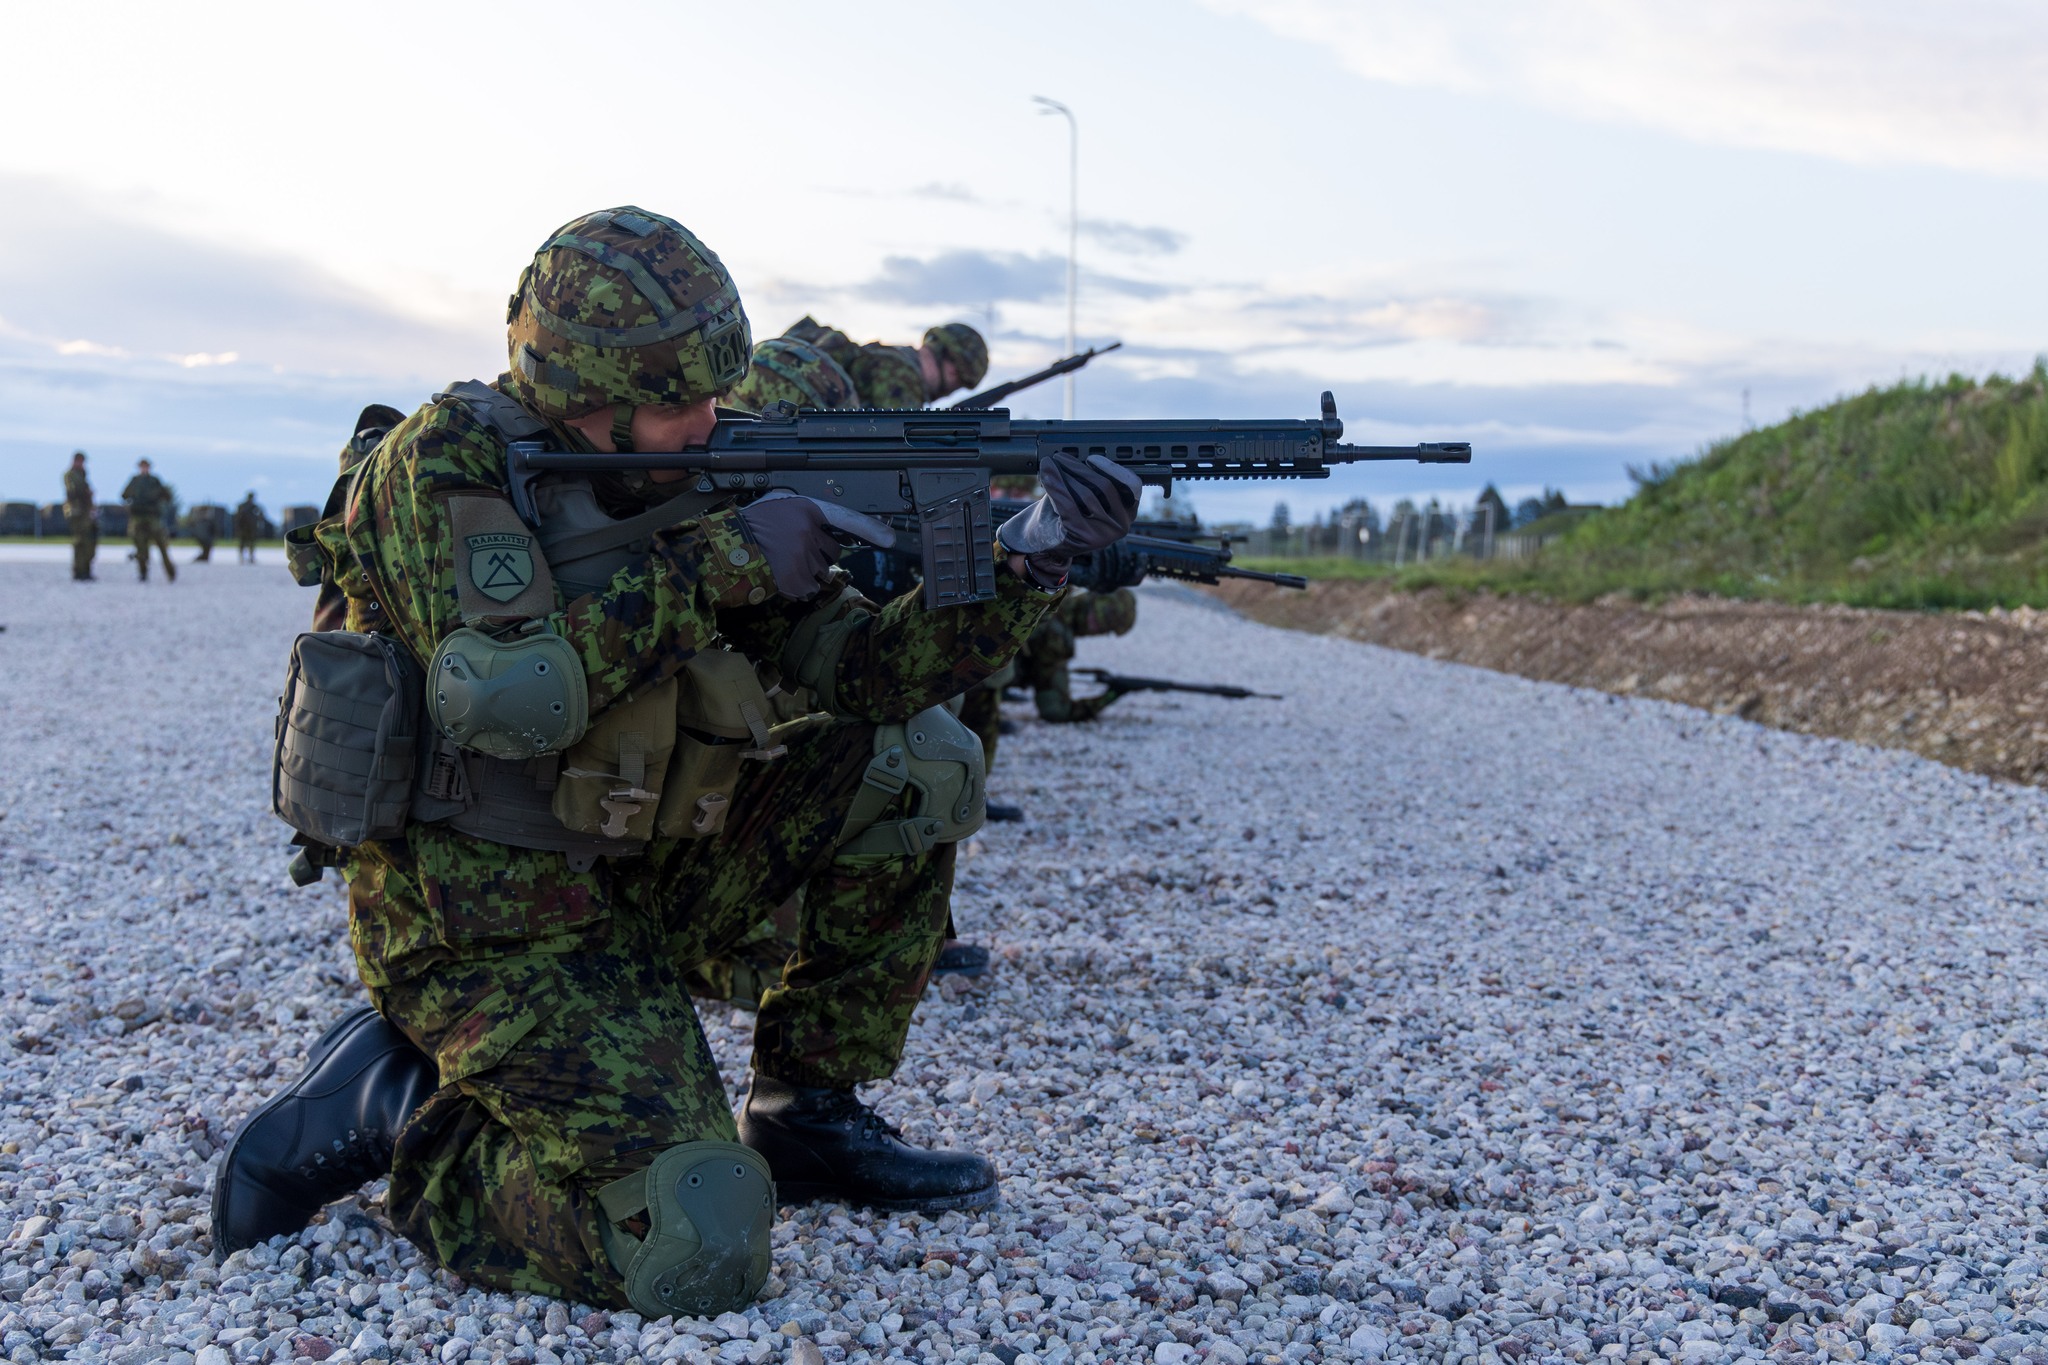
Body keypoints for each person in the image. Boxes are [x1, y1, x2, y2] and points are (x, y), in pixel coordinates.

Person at [212, 206, 1137, 1320]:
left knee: (918, 761)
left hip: (645, 864)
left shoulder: (695, 466)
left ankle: (805, 1112)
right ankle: (404, 1110)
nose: (709, 424)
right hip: (483, 925)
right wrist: (723, 564)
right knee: (695, 1245)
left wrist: (1029, 559)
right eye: (675, 405)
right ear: (583, 397)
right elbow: (507, 700)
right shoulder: (445, 465)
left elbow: (863, 674)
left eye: (714, 393)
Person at [781, 317, 988, 408]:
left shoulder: (887, 359)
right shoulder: (902, 378)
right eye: (959, 382)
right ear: (953, 370)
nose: (952, 388)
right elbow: (904, 451)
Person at [1015, 586, 1140, 722]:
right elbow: (1055, 711)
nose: (1096, 628)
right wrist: (1110, 696)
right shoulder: (1057, 637)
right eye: (1100, 623)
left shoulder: (1059, 590)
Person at [121, 459, 176, 582]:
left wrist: (157, 500)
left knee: (162, 546)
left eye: (146, 467)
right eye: (142, 467)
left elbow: (166, 496)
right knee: (141, 548)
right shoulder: (135, 481)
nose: (144, 469)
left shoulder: (154, 481)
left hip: (153, 518)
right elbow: (124, 495)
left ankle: (170, 573)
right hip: (139, 518)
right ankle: (143, 573)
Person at [62, 451, 97, 581]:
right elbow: (73, 491)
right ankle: (79, 571)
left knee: (89, 541)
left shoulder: (82, 475)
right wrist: (86, 492)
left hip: (85, 512)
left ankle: (86, 570)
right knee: (80, 542)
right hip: (76, 512)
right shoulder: (70, 475)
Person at [234, 493, 263, 562]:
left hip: (250, 528)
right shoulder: (243, 506)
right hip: (244, 528)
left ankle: (250, 557)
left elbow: (260, 515)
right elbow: (238, 517)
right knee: (243, 543)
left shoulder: (253, 506)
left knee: (250, 543)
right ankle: (242, 557)